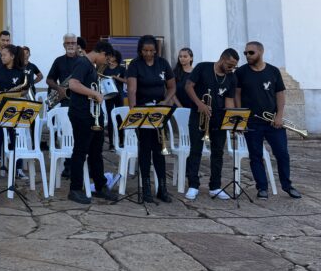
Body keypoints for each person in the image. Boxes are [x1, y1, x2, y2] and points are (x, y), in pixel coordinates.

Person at [235, 41, 302, 199]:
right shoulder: (241, 72)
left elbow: (280, 94)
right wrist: (241, 117)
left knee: (282, 154)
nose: (247, 56)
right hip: (252, 122)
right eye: (245, 53)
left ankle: (287, 185)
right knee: (255, 156)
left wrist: (279, 115)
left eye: (251, 53)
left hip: (273, 122)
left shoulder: (273, 71)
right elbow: (237, 94)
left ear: (261, 52)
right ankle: (262, 188)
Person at [126, 35, 176, 203]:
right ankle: (146, 188)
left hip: (159, 111)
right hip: (142, 111)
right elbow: (132, 90)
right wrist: (134, 111)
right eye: (145, 51)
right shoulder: (135, 65)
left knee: (159, 150)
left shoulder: (163, 63)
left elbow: (171, 86)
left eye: (151, 51)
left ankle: (162, 188)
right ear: (140, 50)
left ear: (156, 50)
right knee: (145, 150)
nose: (148, 54)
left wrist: (166, 101)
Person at [183, 48, 239, 200]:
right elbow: (188, 86)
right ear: (222, 59)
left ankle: (215, 186)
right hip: (198, 116)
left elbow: (229, 100)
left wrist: (232, 120)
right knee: (195, 151)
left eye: (234, 66)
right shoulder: (203, 67)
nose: (231, 68)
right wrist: (199, 104)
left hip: (218, 119)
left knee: (218, 153)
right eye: (229, 65)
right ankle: (193, 185)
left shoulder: (231, 77)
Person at [66, 40, 118, 204]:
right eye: (107, 59)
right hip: (81, 114)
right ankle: (75, 189)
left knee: (96, 152)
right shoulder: (83, 63)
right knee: (80, 152)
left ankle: (100, 186)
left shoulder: (92, 67)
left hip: (92, 114)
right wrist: (94, 94)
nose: (107, 63)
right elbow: (73, 84)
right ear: (102, 53)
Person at [46, 34, 81, 177]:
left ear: (77, 44)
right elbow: (49, 80)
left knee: (78, 135)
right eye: (68, 43)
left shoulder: (83, 61)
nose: (71, 45)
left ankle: (79, 165)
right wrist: (59, 88)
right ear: (64, 45)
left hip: (80, 101)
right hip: (65, 102)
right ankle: (68, 167)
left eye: (73, 42)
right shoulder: (59, 61)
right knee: (67, 134)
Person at [0, 43, 28, 177]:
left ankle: (18, 168)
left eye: (4, 55)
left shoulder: (20, 72)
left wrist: (17, 93)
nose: (2, 57)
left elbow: (25, 90)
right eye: (1, 55)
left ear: (12, 56)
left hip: (15, 109)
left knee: (15, 138)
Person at [102, 49, 126, 151]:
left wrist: (116, 78)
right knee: (110, 118)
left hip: (119, 95)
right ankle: (111, 143)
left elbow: (126, 81)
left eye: (111, 56)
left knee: (119, 118)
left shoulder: (121, 69)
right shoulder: (105, 69)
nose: (109, 58)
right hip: (108, 95)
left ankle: (121, 140)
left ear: (115, 57)